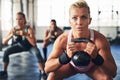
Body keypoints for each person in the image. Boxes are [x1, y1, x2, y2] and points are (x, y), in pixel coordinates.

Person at [44, 0, 117, 80]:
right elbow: (47, 68)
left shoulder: (99, 40)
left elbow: (113, 72)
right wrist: (64, 57)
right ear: (70, 21)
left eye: (84, 17)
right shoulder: (63, 40)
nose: (79, 22)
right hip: (70, 67)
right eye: (74, 18)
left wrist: (97, 58)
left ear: (89, 20)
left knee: (107, 78)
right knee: (52, 77)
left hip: (92, 67)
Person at [0, 12, 45, 79]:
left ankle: (43, 71)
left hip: (30, 47)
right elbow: (4, 42)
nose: (18, 21)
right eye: (17, 19)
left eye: (20, 19)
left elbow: (34, 43)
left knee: (37, 53)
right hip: (20, 46)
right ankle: (4, 71)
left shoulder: (29, 29)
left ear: (24, 20)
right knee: (6, 52)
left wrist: (25, 35)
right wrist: (11, 35)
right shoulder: (14, 29)